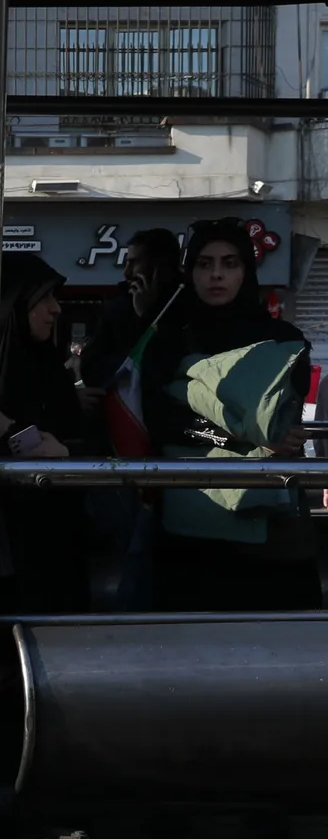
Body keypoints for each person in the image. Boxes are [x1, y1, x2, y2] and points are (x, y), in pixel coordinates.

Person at [142, 217, 316, 612]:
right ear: (190, 272)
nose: (216, 274)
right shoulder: (169, 341)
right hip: (193, 523)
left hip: (270, 525)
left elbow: (284, 418)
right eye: (204, 264)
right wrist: (236, 437)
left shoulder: (284, 340)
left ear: (246, 271)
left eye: (229, 263)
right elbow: (163, 421)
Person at [0, 252, 93, 615]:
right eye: (43, 298)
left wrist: (63, 455)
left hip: (58, 544)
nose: (56, 309)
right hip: (1, 551)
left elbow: (87, 446)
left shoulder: (53, 373)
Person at [81, 227, 184, 389]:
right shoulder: (118, 307)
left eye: (134, 262)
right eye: (127, 262)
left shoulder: (187, 305)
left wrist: (145, 316)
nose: (126, 272)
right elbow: (90, 366)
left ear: (159, 267)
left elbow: (167, 365)